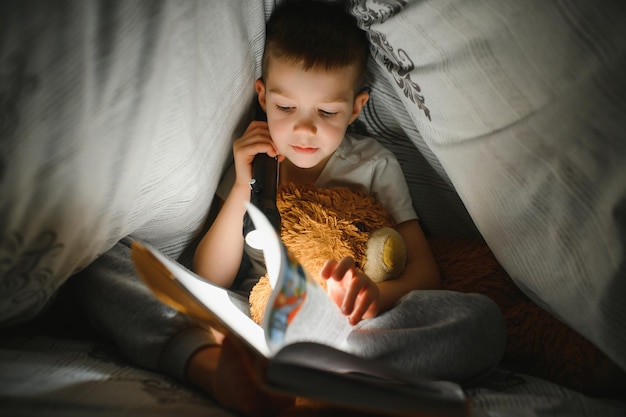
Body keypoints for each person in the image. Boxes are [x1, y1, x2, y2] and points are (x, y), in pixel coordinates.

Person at [189, 2, 506, 416]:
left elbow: (426, 273)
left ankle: (325, 385)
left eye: (326, 112)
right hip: (263, 323)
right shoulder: (252, 163)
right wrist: (240, 189)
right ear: (263, 97)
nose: (305, 129)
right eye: (286, 108)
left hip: (355, 332)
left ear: (356, 109)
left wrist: (375, 295)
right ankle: (296, 379)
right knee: (123, 269)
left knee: (481, 319)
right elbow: (209, 277)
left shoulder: (373, 165)